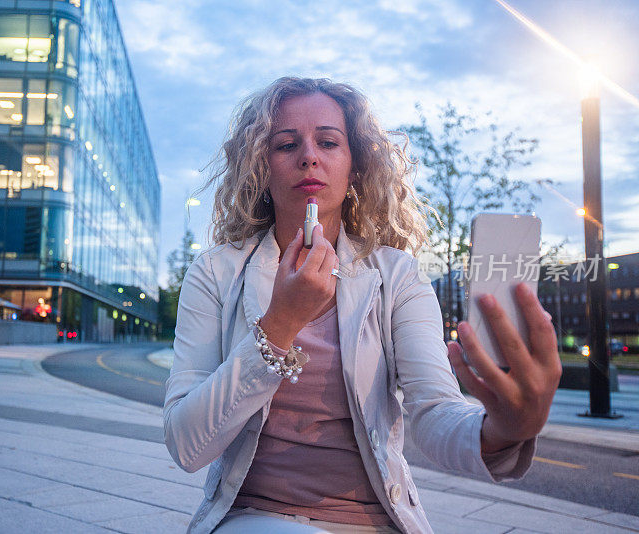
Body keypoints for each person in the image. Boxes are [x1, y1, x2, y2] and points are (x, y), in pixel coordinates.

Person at [163, 77, 561, 534]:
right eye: (286, 144)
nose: (309, 156)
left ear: (355, 169)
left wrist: (504, 429)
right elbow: (185, 444)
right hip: (252, 517)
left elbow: (433, 412)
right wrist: (279, 325)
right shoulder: (216, 272)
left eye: (328, 142)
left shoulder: (396, 275)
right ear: (260, 169)